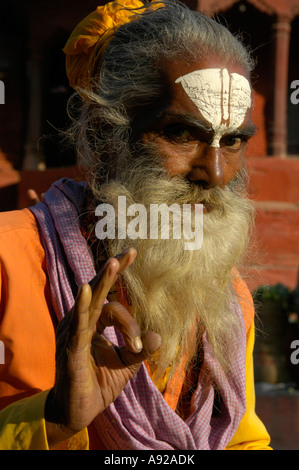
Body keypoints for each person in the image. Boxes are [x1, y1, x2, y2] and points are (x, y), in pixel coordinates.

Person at [0, 0, 272, 450]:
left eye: (235, 141)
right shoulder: (9, 262)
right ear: (103, 136)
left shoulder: (226, 298)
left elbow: (244, 440)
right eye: (183, 134)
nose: (217, 173)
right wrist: (51, 420)